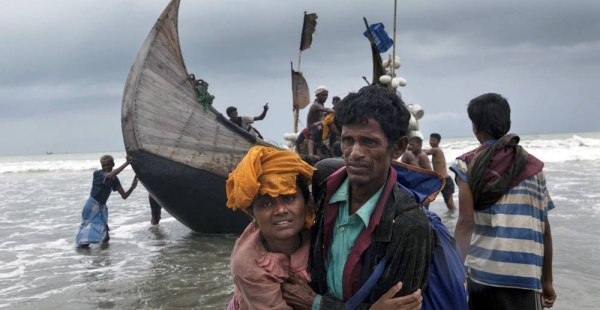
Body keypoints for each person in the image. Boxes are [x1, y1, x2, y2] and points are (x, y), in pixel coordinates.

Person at [282, 85, 435, 309]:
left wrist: (315, 304)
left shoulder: (411, 226)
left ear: (398, 147)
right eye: (347, 140)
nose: (354, 153)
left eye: (369, 142)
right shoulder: (324, 181)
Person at [450, 93, 556, 309]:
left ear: (475, 127)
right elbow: (544, 229)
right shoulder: (534, 168)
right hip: (526, 276)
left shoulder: (467, 164)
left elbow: (466, 222)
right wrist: (547, 280)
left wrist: (452, 272)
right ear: (507, 123)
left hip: (481, 275)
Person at [225, 146, 317, 309]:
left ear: (306, 202)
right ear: (252, 213)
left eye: (289, 198)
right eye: (266, 203)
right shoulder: (248, 265)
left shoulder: (320, 234)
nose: (281, 210)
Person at [76, 155, 139, 248]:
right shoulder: (97, 174)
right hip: (91, 206)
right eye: (103, 165)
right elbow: (109, 175)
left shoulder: (115, 179)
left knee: (105, 237)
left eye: (108, 165)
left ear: (113, 164)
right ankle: (84, 255)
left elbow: (124, 196)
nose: (105, 167)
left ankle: (104, 256)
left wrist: (132, 188)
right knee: (86, 238)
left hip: (101, 207)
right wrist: (127, 163)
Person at [423, 133, 456, 211]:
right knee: (447, 203)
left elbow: (426, 152)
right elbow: (425, 150)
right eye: (430, 140)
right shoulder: (434, 150)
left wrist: (412, 148)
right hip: (439, 180)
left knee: (450, 204)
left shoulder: (436, 150)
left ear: (438, 142)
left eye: (434, 140)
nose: (431, 141)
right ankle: (451, 218)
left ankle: (454, 219)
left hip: (445, 181)